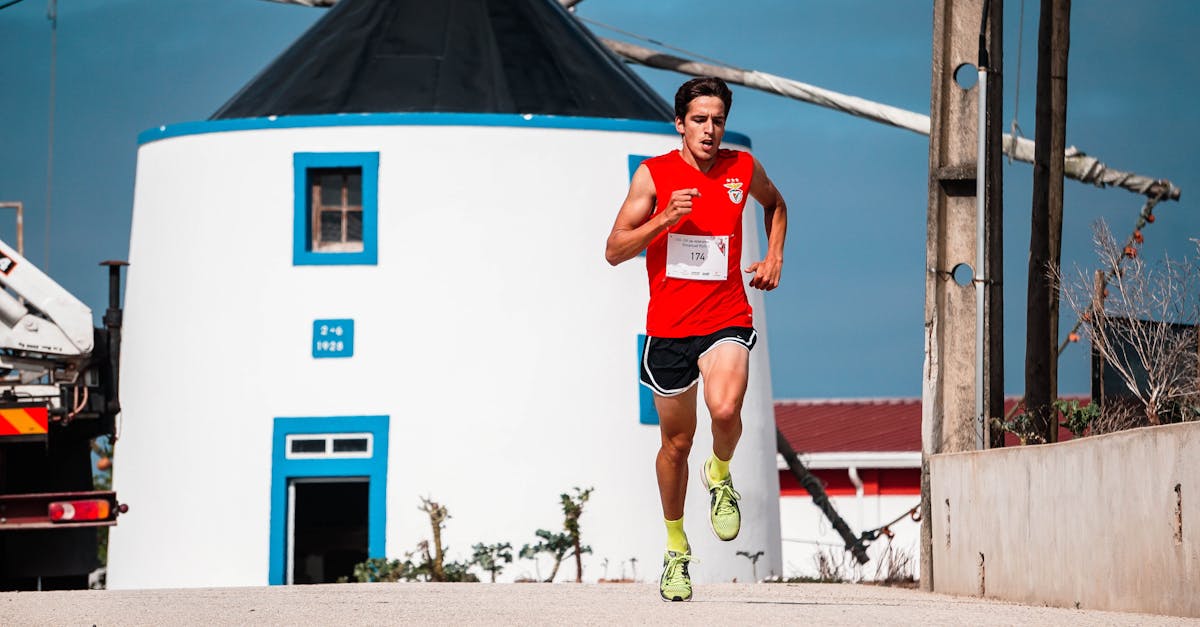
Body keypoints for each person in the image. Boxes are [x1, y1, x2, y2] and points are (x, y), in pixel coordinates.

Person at [604, 76, 788, 602]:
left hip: (727, 315)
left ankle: (721, 472)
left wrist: (774, 256)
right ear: (680, 124)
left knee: (726, 410)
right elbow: (615, 249)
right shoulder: (654, 176)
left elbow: (776, 205)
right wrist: (665, 217)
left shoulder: (741, 168)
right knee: (676, 444)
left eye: (718, 120)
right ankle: (676, 547)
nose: (710, 130)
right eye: (700, 120)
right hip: (668, 331)